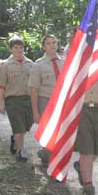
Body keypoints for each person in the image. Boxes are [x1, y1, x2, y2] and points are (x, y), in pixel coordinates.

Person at [0, 36, 34, 162]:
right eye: (16, 47)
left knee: (27, 125)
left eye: (21, 47)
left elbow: (35, 84)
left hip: (28, 99)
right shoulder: (5, 65)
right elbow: (1, 86)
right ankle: (21, 151)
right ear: (11, 49)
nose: (19, 50)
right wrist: (1, 104)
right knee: (19, 127)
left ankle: (15, 138)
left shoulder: (31, 64)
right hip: (13, 100)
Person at [28, 35, 64, 165]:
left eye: (54, 42)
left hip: (61, 102)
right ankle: (47, 155)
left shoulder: (65, 62)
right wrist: (35, 112)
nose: (52, 45)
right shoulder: (38, 65)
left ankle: (47, 154)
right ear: (43, 47)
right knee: (49, 131)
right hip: (46, 101)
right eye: (48, 43)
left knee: (60, 131)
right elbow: (34, 90)